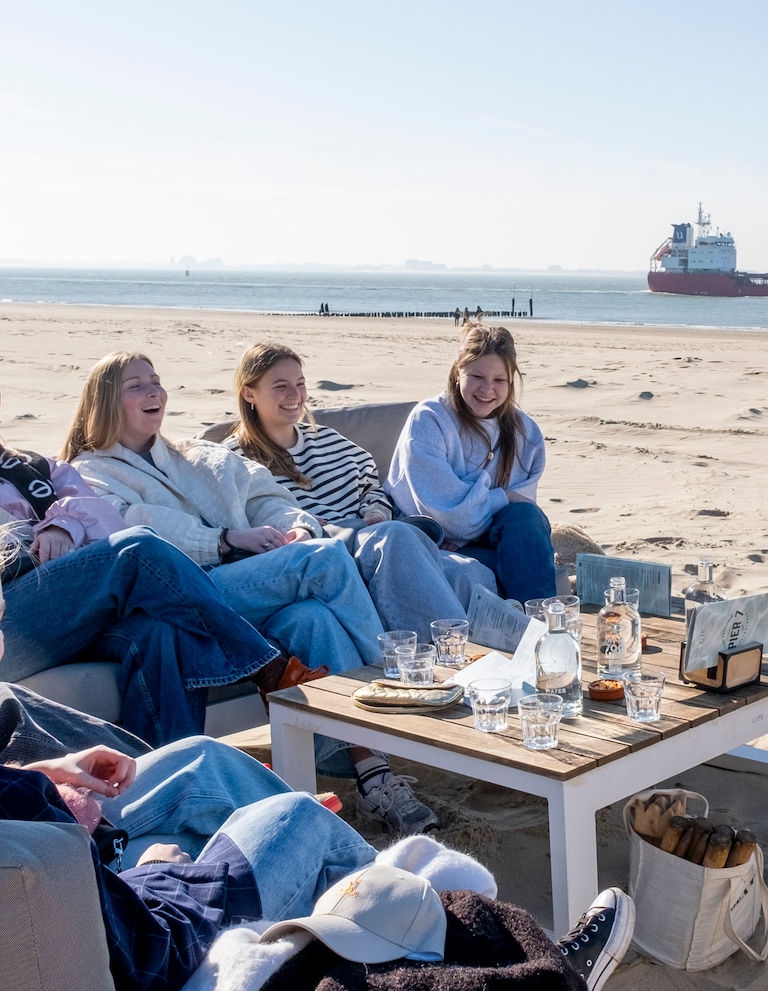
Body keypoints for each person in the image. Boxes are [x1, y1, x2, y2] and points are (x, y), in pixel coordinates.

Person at [0, 514, 377, 991]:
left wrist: (32, 775)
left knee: (203, 760)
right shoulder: (10, 807)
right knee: (295, 818)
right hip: (135, 956)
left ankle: (339, 873)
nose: (2, 643)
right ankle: (407, 911)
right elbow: (148, 957)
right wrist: (162, 868)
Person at [0, 361, 302, 747]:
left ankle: (164, 775)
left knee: (156, 632)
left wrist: (65, 527)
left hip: (55, 608)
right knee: (137, 550)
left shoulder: (25, 468)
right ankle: (267, 667)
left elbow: (98, 514)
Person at [65, 351, 431, 833]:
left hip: (251, 593)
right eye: (137, 385)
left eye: (156, 381)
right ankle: (396, 683)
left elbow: (266, 496)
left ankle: (369, 775)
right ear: (106, 400)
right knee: (322, 557)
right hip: (184, 595)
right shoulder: (88, 471)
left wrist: (295, 526)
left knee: (311, 619)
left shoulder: (197, 454)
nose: (154, 391)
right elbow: (134, 530)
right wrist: (226, 540)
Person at [222, 341, 498, 633]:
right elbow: (243, 521)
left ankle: (500, 662)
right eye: (281, 386)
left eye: (300, 383)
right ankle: (448, 656)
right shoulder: (233, 460)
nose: (295, 395)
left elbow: (371, 488)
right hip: (321, 554)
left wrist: (376, 510)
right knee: (393, 537)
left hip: (369, 533)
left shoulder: (330, 441)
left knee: (467, 572)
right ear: (249, 392)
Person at [388, 323, 556, 602]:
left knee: (526, 522)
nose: (487, 389)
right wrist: (504, 495)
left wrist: (475, 498)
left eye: (499, 380)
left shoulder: (525, 432)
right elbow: (450, 515)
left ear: (511, 380)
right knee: (514, 554)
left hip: (484, 536)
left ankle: (538, 629)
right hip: (432, 538)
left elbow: (524, 512)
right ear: (457, 372)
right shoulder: (429, 420)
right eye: (477, 376)